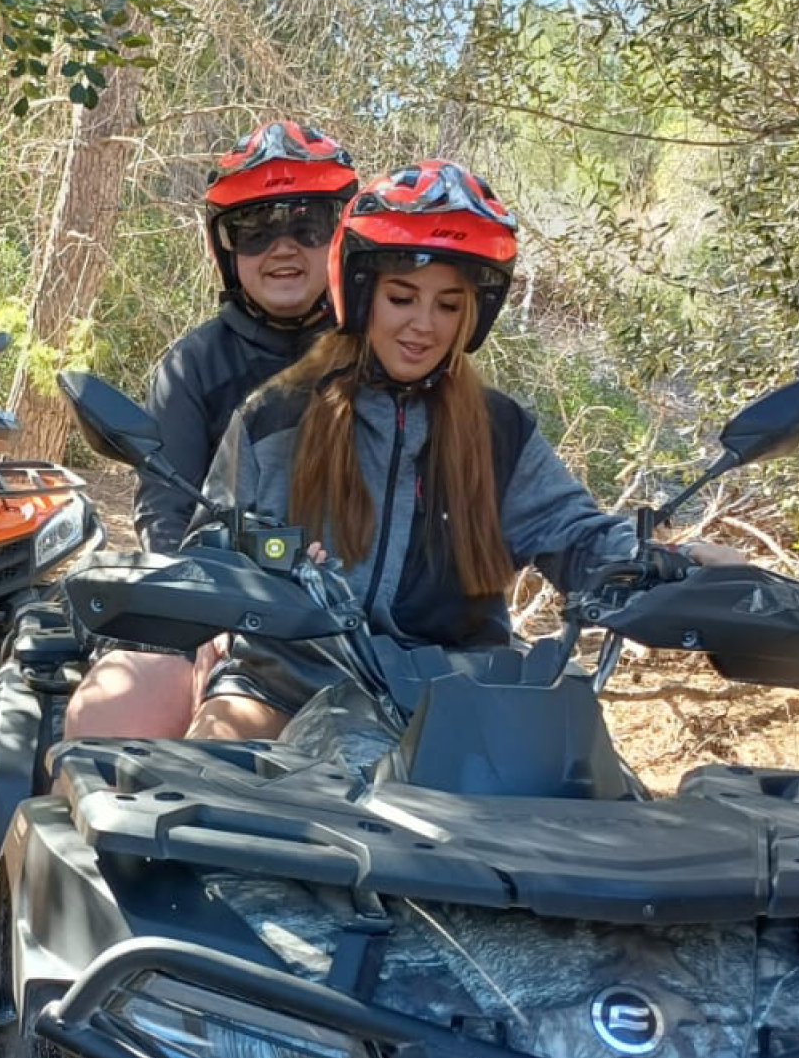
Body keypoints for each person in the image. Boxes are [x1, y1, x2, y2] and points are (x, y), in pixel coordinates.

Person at [184, 159, 745, 745]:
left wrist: (671, 561)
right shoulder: (278, 416)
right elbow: (213, 542)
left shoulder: (501, 431)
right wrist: (281, 557)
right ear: (360, 293)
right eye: (402, 298)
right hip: (291, 678)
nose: (423, 325)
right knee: (205, 778)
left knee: (588, 807)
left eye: (448, 305)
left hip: (458, 691)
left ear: (472, 316)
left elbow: (576, 535)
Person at [63, 121, 359, 739]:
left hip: (368, 619)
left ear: (341, 235)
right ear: (224, 249)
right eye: (254, 230)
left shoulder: (385, 349)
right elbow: (166, 512)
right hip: (223, 605)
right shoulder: (193, 365)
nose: (282, 247)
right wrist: (206, 608)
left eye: (306, 224)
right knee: (106, 726)